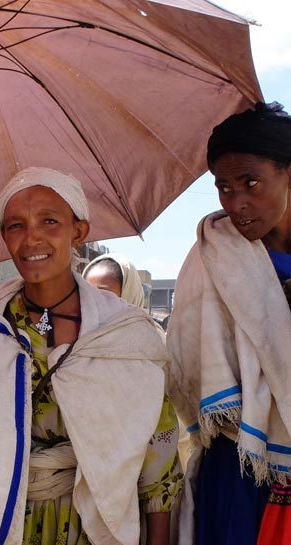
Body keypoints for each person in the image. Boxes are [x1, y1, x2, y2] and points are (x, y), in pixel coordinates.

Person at [0, 167, 182, 545]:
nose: (31, 237)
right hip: (8, 520)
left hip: (96, 523)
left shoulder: (123, 333)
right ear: (4, 236)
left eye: (49, 221)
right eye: (15, 225)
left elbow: (158, 454)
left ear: (78, 231)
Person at [167, 101, 291, 545]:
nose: (236, 202)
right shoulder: (210, 254)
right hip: (240, 464)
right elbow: (186, 366)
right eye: (223, 187)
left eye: (251, 182)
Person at [82, 252, 147, 308]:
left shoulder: (143, 322)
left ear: (129, 294)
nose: (93, 302)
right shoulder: (81, 322)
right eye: (88, 294)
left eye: (103, 294)